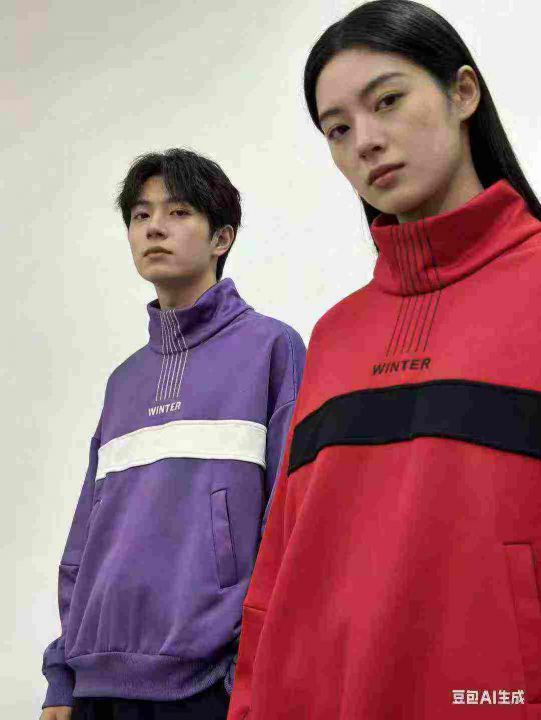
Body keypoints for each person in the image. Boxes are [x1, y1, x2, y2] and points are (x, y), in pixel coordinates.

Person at [226, 1, 541, 718]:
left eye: (388, 101)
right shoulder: (335, 335)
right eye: (337, 129)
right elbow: (279, 568)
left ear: (463, 92)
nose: (365, 141)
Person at [40, 148, 306, 720]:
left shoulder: (272, 348)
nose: (154, 227)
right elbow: (87, 537)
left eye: (179, 212)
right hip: (97, 685)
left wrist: (251, 667)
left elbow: (291, 517)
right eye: (141, 215)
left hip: (207, 684)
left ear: (221, 238)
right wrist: (62, 673)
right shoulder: (124, 381)